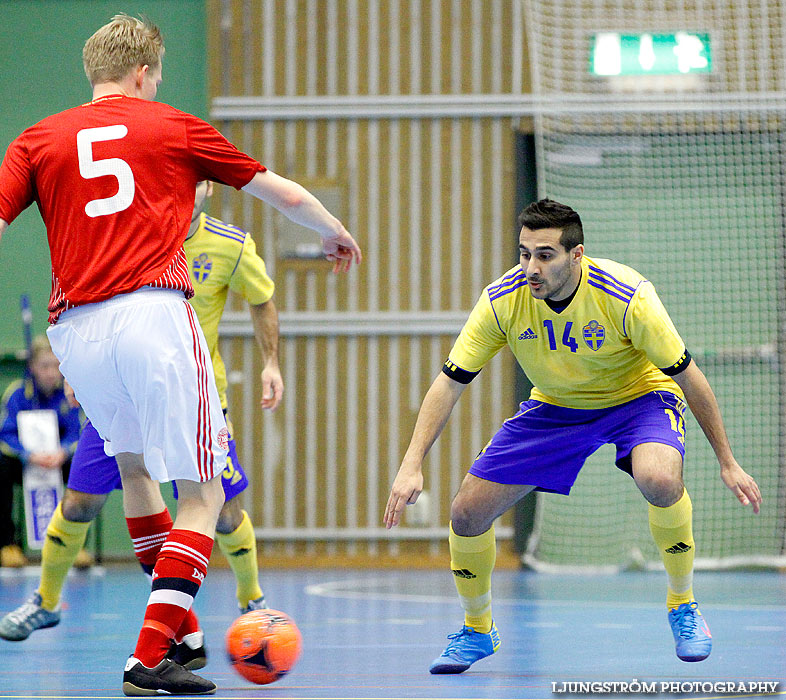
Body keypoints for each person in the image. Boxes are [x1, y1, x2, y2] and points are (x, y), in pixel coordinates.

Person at [0, 14, 360, 696]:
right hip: (153, 316)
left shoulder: (35, 138)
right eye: (157, 76)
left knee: (135, 471)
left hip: (73, 330)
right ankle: (146, 656)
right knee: (203, 493)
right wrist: (333, 231)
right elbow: (277, 191)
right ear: (143, 73)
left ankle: (182, 635)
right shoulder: (171, 125)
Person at [384, 198, 761, 674]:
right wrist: (411, 462)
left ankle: (682, 605)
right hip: (556, 407)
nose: (530, 267)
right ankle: (477, 630)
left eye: (545, 255)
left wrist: (727, 461)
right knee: (466, 512)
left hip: (638, 397)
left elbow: (690, 378)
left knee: (660, 480)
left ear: (576, 255)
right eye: (524, 253)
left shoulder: (627, 296)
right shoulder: (503, 300)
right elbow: (450, 381)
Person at [0, 180, 282, 663]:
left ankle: (250, 603)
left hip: (194, 393)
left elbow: (262, 298)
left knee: (220, 509)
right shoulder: (138, 231)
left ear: (208, 190)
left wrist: (271, 362)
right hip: (124, 387)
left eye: (196, 185)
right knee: (81, 502)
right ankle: (47, 602)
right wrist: (79, 365)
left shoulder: (229, 245)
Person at [0, 335, 92, 569]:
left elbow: (77, 432)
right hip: (25, 464)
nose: (52, 373)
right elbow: (5, 434)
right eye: (45, 366)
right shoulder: (17, 394)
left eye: (56, 365)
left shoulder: (69, 394)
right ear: (32, 367)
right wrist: (28, 455)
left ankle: (75, 544)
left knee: (82, 465)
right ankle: (8, 544)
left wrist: (62, 452)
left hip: (58, 462)